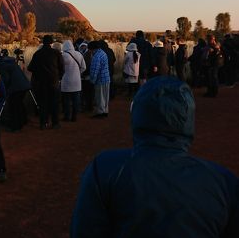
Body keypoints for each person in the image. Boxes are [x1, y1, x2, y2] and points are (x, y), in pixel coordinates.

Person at [71, 76, 239, 238]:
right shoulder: (224, 182)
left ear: (138, 115)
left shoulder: (105, 169)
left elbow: (85, 230)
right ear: (188, 119)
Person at [27, 35, 65, 129]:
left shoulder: (37, 53)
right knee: (54, 103)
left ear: (43, 42)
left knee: (43, 103)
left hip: (41, 83)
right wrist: (58, 78)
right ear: (51, 43)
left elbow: (30, 68)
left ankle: (43, 123)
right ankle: (55, 123)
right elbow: (62, 68)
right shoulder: (56, 53)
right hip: (53, 82)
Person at [0, 50, 31, 131]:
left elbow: (6, 79)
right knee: (19, 104)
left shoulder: (2, 65)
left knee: (14, 106)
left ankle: (16, 126)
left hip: (17, 87)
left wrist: (4, 89)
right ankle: (23, 120)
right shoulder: (11, 62)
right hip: (24, 85)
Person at [60, 40, 86, 122]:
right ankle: (74, 117)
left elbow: (60, 68)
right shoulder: (79, 54)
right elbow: (84, 67)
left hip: (66, 81)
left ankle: (67, 117)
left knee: (66, 101)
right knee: (76, 100)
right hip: (77, 82)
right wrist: (78, 73)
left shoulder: (63, 55)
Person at [89, 41, 110, 118]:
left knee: (99, 97)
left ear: (92, 49)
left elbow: (95, 70)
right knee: (105, 96)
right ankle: (105, 111)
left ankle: (100, 113)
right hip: (106, 78)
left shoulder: (96, 57)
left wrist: (92, 81)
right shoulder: (103, 53)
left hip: (100, 79)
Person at [78, 42, 94, 112]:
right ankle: (88, 106)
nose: (82, 48)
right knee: (88, 93)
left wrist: (83, 74)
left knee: (86, 93)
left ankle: (87, 107)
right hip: (88, 76)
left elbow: (86, 66)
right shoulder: (87, 54)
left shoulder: (87, 55)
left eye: (84, 47)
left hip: (86, 77)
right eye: (82, 47)